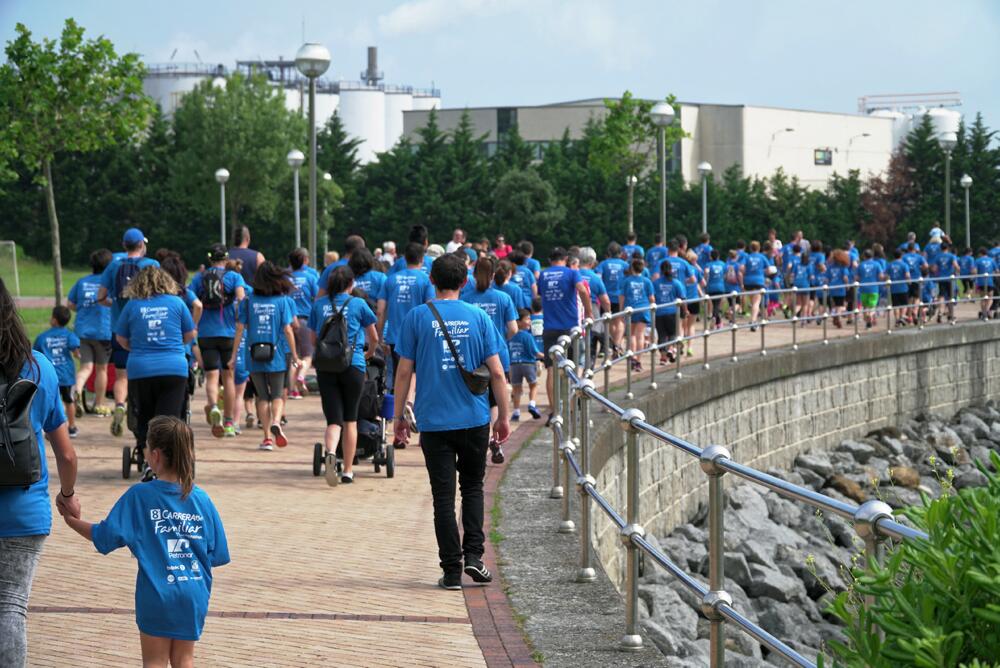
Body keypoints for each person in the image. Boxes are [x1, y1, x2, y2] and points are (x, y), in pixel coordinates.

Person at [62, 416, 229, 668]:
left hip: (156, 593)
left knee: (154, 661)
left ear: (156, 455)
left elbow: (104, 537)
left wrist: (70, 520)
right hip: (193, 593)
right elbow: (217, 554)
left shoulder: (140, 496)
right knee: (185, 660)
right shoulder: (201, 499)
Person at [392, 253, 510, 591]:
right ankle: (474, 555)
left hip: (434, 421)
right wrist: (502, 416)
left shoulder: (417, 317)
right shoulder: (478, 317)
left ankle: (452, 571)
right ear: (464, 282)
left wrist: (399, 416)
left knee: (442, 497)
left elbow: (403, 371)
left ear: (432, 279)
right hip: (474, 418)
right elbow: (498, 372)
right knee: (472, 487)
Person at [0, 278, 78, 668]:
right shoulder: (38, 367)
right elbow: (65, 453)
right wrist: (67, 495)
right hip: (24, 509)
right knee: (10, 604)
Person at [115, 267, 196, 479]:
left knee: (145, 419)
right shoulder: (177, 303)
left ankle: (149, 464)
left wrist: (138, 348)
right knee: (169, 420)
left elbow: (121, 338)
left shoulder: (133, 306)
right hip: (173, 368)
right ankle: (170, 463)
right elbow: (189, 334)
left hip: (140, 368)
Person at [309, 266, 378, 485]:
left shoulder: (319, 305)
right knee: (351, 419)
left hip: (326, 367)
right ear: (351, 284)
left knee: (333, 419)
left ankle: (330, 452)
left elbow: (313, 340)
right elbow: (374, 337)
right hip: (353, 365)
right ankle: (348, 470)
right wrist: (368, 353)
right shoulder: (358, 304)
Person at [97, 228, 160, 438]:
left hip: (118, 330)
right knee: (146, 374)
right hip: (144, 331)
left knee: (122, 375)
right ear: (142, 244)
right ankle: (144, 411)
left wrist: (115, 305)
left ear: (124, 245)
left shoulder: (114, 265)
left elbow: (101, 296)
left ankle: (120, 404)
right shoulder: (151, 265)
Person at [231, 262, 298, 451]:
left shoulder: (248, 301)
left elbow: (239, 328)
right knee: (277, 394)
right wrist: (294, 355)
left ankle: (267, 438)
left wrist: (233, 355)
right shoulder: (282, 301)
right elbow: (288, 329)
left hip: (253, 354)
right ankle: (277, 420)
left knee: (262, 397)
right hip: (276, 354)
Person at [377, 242, 435, 440]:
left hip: (395, 336)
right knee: (418, 375)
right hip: (419, 335)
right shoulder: (425, 281)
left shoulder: (390, 280)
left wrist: (378, 337)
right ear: (422, 259)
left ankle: (399, 427)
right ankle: (410, 405)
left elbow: (380, 310)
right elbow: (430, 308)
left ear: (404, 259)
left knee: (400, 376)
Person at [462, 257, 518, 463]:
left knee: (473, 396)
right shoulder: (503, 298)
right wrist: (500, 340)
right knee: (495, 399)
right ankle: (496, 441)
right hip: (497, 354)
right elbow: (513, 328)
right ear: (494, 275)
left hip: (472, 355)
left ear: (473, 275)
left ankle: (474, 442)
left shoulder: (465, 298)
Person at [190, 244, 246, 438]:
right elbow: (242, 299)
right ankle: (229, 422)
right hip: (229, 333)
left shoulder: (199, 278)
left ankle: (214, 406)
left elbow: (192, 301)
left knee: (212, 376)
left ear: (209, 258)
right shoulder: (234, 277)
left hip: (206, 333)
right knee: (228, 377)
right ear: (226, 258)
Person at [539, 247, 592, 423]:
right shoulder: (571, 273)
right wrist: (589, 314)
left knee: (551, 370)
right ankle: (570, 409)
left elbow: (539, 295)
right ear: (566, 258)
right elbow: (582, 290)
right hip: (569, 327)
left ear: (550, 259)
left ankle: (555, 412)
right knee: (572, 369)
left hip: (549, 328)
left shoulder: (543, 275)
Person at [68, 248, 113, 417]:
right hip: (103, 332)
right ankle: (99, 405)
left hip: (83, 331)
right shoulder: (109, 284)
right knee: (101, 369)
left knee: (86, 367)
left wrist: (83, 307)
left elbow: (70, 304)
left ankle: (77, 391)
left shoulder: (82, 282)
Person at [33, 305, 81, 438]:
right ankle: (71, 427)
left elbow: (35, 355)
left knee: (51, 403)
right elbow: (77, 352)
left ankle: (51, 430)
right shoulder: (69, 335)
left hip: (49, 376)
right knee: (69, 401)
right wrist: (78, 355)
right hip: (67, 376)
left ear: (54, 320)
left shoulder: (42, 337)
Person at [288, 248, 318, 400]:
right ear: (305, 260)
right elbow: (317, 298)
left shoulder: (285, 278)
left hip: (288, 322)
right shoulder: (311, 277)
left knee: (294, 357)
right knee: (307, 355)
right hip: (306, 320)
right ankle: (301, 376)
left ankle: (293, 390)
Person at [619, 258, 654, 372]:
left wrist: (621, 310)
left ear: (631, 268)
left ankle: (632, 357)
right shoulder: (647, 281)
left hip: (630, 309)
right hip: (643, 309)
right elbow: (651, 298)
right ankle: (638, 361)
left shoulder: (626, 281)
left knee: (631, 335)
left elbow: (622, 297)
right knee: (640, 335)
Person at [508, 309, 543, 422]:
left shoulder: (509, 335)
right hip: (528, 364)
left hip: (514, 365)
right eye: (527, 319)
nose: (529, 321)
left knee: (516, 390)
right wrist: (547, 356)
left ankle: (516, 412)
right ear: (518, 322)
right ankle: (532, 404)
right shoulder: (527, 336)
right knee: (533, 385)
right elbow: (535, 352)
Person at [652, 261, 687, 364]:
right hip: (672, 312)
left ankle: (663, 357)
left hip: (659, 312)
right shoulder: (676, 283)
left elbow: (652, 298)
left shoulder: (655, 283)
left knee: (662, 335)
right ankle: (671, 349)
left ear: (661, 270)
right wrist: (685, 311)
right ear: (671, 270)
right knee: (673, 333)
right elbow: (683, 299)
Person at [597, 242, 629, 350]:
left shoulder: (603, 264)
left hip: (606, 297)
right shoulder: (625, 265)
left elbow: (598, 279)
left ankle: (614, 344)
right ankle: (617, 344)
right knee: (620, 321)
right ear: (620, 253)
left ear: (609, 253)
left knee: (609, 321)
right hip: (621, 297)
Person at [856, 249, 885, 329]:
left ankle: (867, 322)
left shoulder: (861, 265)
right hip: (873, 288)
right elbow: (881, 276)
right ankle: (870, 315)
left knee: (865, 306)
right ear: (872, 256)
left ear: (864, 256)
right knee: (872, 306)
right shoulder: (877, 264)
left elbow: (857, 278)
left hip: (863, 288)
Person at [887, 249, 913, 326]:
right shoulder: (904, 265)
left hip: (893, 288)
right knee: (904, 304)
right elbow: (907, 275)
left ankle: (897, 320)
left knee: (896, 305)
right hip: (903, 287)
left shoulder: (890, 265)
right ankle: (902, 317)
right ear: (901, 255)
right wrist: (909, 282)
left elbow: (886, 275)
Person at [704, 250, 727, 328]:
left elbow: (706, 274)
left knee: (715, 304)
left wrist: (706, 283)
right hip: (720, 286)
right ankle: (714, 317)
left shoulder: (708, 265)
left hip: (710, 287)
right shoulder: (723, 264)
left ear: (711, 256)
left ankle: (718, 322)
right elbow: (725, 274)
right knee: (717, 305)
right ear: (718, 256)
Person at [974, 247, 997, 320]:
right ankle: (987, 311)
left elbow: (974, 271)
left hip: (981, 282)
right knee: (990, 298)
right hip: (989, 281)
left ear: (980, 253)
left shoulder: (977, 260)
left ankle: (984, 313)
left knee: (983, 299)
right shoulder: (991, 260)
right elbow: (996, 270)